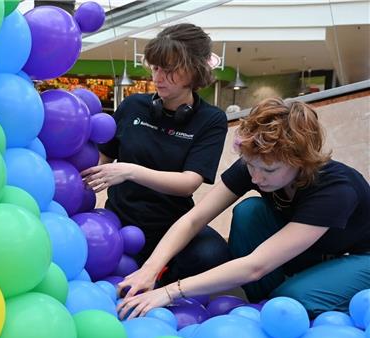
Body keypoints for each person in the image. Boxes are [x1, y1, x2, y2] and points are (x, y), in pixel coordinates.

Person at [117, 97, 370, 318]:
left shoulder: (335, 189)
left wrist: (171, 291)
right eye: (250, 165)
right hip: (314, 248)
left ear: (300, 162)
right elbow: (194, 220)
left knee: (289, 302)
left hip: (360, 256)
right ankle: (266, 298)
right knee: (249, 211)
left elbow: (256, 266)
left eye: (269, 170)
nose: (256, 177)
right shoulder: (256, 163)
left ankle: (308, 294)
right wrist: (149, 270)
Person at [82, 23, 230, 283]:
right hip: (121, 223)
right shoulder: (132, 106)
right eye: (155, 67)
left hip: (173, 227)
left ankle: (162, 284)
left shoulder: (211, 120)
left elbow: (188, 183)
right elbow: (101, 160)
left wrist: (130, 171)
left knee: (213, 253)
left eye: (170, 70)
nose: (158, 77)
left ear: (194, 71)